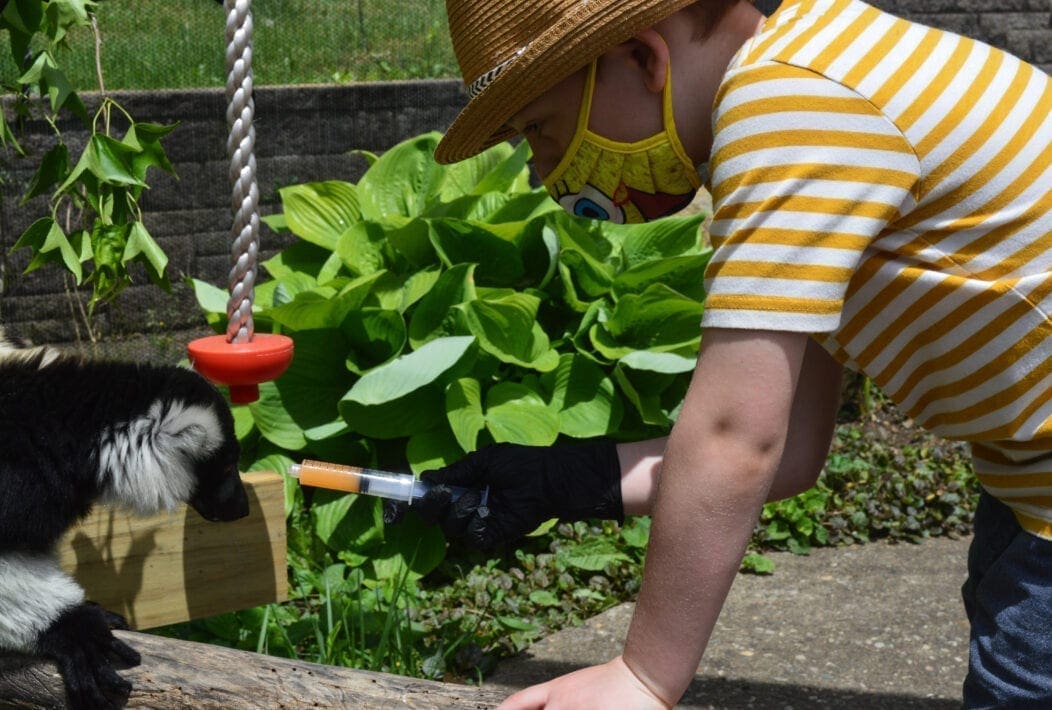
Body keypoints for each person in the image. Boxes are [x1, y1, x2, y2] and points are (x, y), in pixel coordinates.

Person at [400, 0, 1051, 706]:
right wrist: (566, 480)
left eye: (541, 130)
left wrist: (646, 676)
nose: (543, 170)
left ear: (645, 59)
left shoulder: (789, 111)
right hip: (1026, 485)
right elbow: (793, 449)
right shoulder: (815, 67)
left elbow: (736, 438)